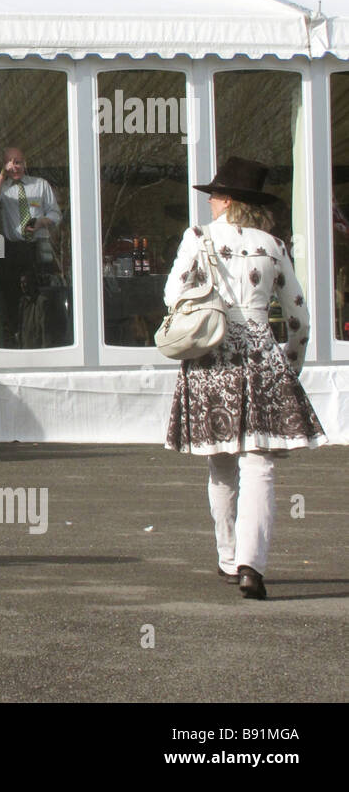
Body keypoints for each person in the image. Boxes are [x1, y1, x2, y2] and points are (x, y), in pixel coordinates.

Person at [163, 157, 325, 600]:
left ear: (229, 201)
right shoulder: (274, 245)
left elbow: (173, 294)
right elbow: (298, 317)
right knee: (260, 463)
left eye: (215, 195)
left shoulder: (198, 238)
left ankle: (229, 556)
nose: (211, 202)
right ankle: (252, 565)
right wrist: (289, 365)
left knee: (220, 461)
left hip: (212, 356)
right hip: (262, 357)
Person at [0, 146, 63, 347]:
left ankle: (37, 343)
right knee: (10, 301)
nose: (15, 166)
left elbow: (56, 214)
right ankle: (12, 345)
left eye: (18, 161)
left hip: (36, 248)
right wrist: (3, 174)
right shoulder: (3, 188)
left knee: (38, 301)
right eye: (10, 162)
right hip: (10, 249)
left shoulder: (40, 185)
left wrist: (40, 223)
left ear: (25, 163)